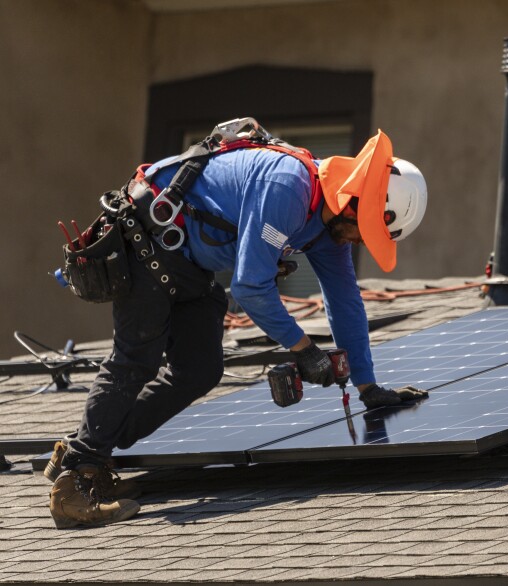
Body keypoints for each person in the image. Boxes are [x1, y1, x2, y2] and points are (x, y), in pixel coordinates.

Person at [46, 123, 429, 529]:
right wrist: (304, 348)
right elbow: (250, 287)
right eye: (363, 230)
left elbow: (345, 300)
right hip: (149, 246)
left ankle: (85, 451)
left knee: (200, 369)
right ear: (350, 201)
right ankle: (74, 487)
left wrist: (368, 386)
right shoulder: (289, 187)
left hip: (188, 266)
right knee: (136, 359)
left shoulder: (329, 225)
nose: (357, 241)